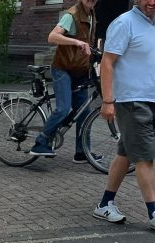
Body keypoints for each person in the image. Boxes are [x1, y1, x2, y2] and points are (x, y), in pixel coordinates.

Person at [91, 0, 155, 235]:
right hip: (131, 100)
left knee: (126, 153)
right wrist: (108, 100)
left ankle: (104, 204)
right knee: (145, 157)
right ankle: (154, 213)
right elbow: (108, 62)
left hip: (151, 99)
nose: (153, 2)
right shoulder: (124, 23)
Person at [29, 0, 98, 163]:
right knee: (63, 108)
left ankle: (82, 152)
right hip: (63, 68)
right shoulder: (71, 15)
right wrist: (76, 42)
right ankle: (41, 142)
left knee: (83, 111)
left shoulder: (92, 14)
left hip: (79, 70)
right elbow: (52, 37)